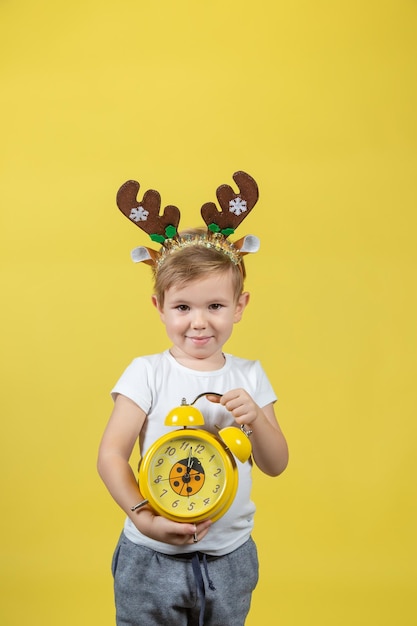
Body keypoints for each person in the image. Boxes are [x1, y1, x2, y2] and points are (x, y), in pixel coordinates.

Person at [97, 172, 289, 626]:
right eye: (183, 307)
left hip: (229, 560)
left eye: (215, 306)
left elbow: (276, 463)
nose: (199, 323)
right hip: (152, 558)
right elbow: (110, 454)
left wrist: (256, 421)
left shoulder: (249, 375)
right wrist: (143, 516)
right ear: (159, 307)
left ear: (239, 306)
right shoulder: (146, 372)